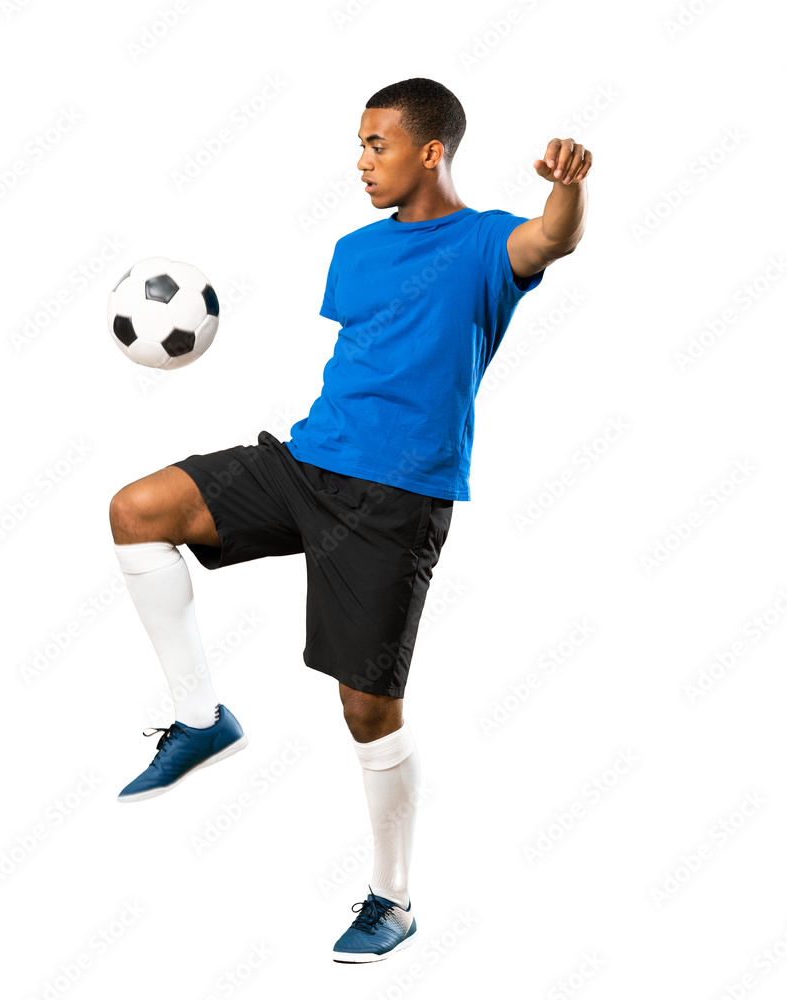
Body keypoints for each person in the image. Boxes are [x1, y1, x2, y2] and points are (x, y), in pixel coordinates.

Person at [109, 77, 591, 963]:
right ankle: (201, 718)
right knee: (138, 511)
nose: (362, 161)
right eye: (361, 144)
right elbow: (368, 355)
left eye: (378, 145)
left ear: (430, 151)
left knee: (367, 711)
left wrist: (567, 183)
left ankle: (392, 900)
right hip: (305, 464)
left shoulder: (489, 243)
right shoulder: (355, 251)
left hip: (394, 504)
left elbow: (552, 236)